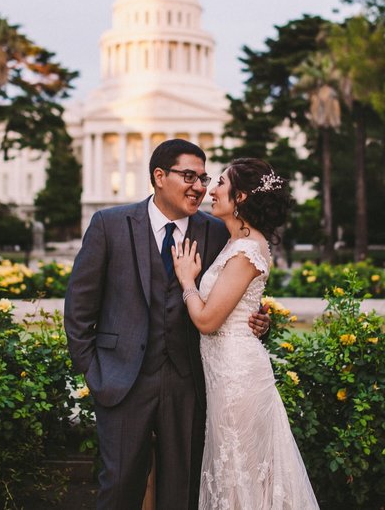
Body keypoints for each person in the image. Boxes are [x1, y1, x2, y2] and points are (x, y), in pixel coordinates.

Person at [64, 139, 269, 510]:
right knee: (119, 488)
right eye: (188, 175)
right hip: (122, 381)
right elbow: (79, 307)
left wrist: (257, 320)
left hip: (189, 381)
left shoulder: (218, 232)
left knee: (183, 490)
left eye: (204, 178)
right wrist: (94, 372)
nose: (199, 186)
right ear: (159, 176)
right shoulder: (109, 224)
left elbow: (236, 290)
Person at [173, 158, 319, 509]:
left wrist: (187, 282)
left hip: (237, 378)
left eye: (219, 183)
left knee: (239, 474)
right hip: (226, 373)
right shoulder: (236, 241)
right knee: (238, 474)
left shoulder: (246, 249)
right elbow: (240, 305)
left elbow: (208, 321)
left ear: (240, 197)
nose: (210, 189)